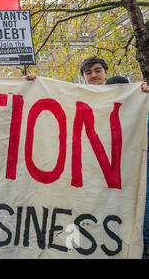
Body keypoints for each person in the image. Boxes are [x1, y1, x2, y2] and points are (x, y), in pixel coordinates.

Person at [106, 75, 149, 259]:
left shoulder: (141, 110)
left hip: (137, 163)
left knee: (143, 198)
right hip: (110, 168)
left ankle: (144, 242)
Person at [80, 56, 149, 92]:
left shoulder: (119, 91)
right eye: (88, 73)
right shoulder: (77, 95)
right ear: (83, 76)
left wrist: (143, 89)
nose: (94, 75)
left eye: (97, 71)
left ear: (105, 71)